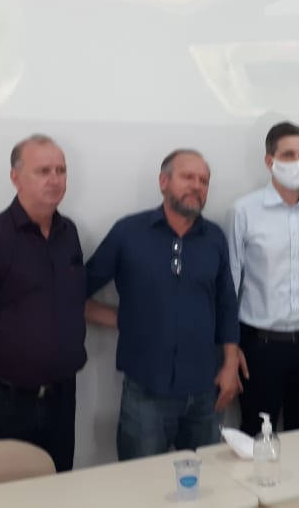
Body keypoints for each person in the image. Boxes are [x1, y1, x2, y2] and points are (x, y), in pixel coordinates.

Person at [0, 134, 113, 472]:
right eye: (43, 171)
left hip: (62, 400)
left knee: (58, 486)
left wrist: (128, 320)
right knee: (6, 493)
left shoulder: (68, 234)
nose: (55, 179)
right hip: (4, 404)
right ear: (15, 177)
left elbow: (71, 302)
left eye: (61, 170)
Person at [85, 149, 247, 460]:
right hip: (146, 389)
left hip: (206, 389)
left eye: (204, 181)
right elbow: (75, 294)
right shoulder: (128, 232)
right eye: (188, 177)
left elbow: (226, 304)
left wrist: (230, 365)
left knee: (206, 478)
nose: (197, 186)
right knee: (141, 480)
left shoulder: (214, 237)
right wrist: (125, 319)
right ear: (163, 182)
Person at [227, 121, 299, 436]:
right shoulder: (244, 211)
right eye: (289, 155)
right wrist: (230, 348)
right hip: (260, 346)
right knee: (257, 435)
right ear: (270, 160)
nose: (297, 163)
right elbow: (230, 284)